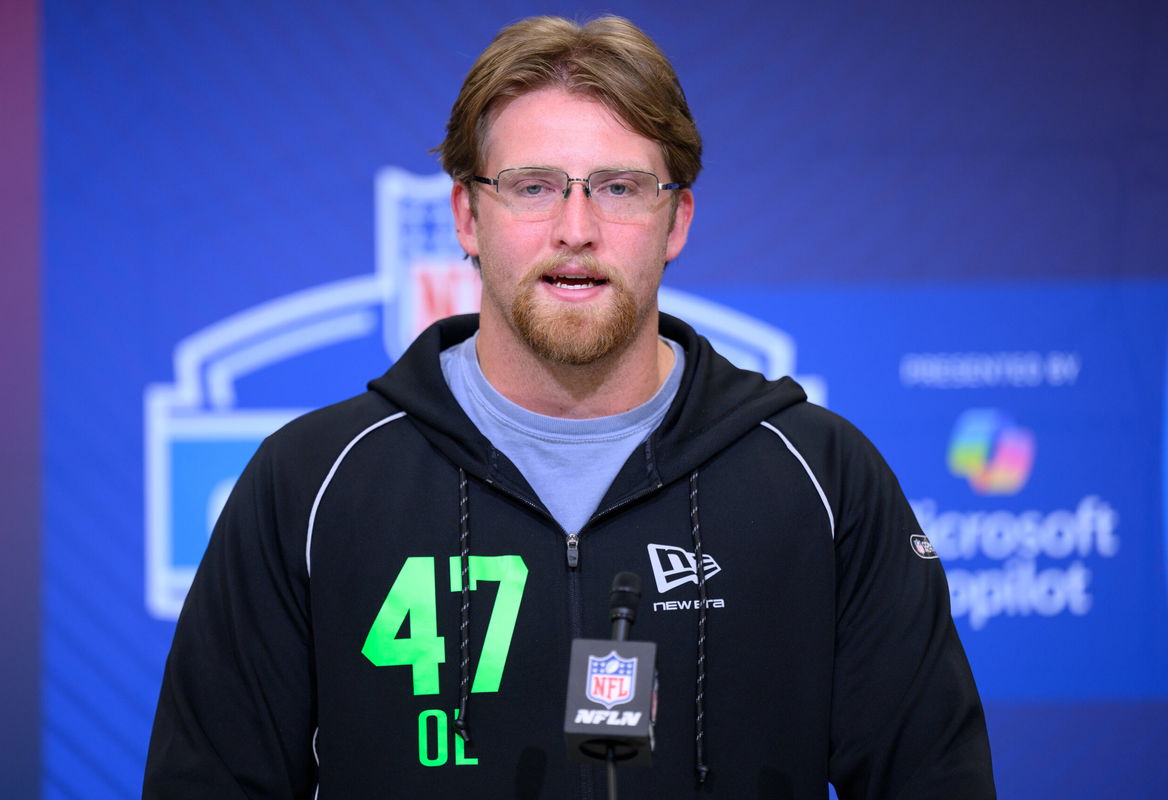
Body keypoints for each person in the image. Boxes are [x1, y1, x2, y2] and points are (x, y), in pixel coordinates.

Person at [144, 15, 995, 799]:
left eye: (620, 187)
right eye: (533, 186)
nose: (576, 228)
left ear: (677, 220)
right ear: (467, 216)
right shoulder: (311, 484)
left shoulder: (822, 480)